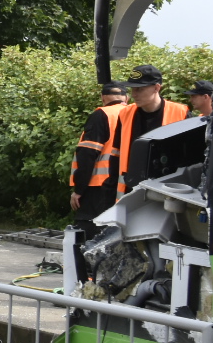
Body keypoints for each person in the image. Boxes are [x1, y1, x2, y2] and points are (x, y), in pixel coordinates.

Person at [115, 64, 190, 193]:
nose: (134, 94)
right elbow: (115, 155)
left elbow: (191, 159)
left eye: (139, 89)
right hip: (130, 190)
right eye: (132, 89)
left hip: (167, 191)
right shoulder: (125, 114)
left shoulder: (181, 113)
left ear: (156, 88)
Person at [69, 83, 129, 229]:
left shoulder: (102, 115)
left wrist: (79, 190)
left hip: (99, 186)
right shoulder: (134, 113)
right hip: (126, 185)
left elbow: (87, 154)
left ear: (103, 98)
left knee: (91, 232)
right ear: (127, 98)